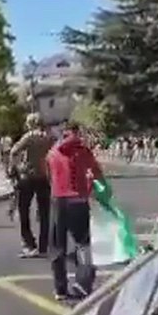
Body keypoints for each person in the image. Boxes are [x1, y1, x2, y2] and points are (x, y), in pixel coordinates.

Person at [46, 121, 105, 302]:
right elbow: (97, 174)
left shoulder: (52, 153)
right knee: (83, 244)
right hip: (79, 200)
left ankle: (60, 289)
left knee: (57, 246)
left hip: (58, 200)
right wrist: (93, 190)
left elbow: (49, 175)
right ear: (77, 133)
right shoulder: (83, 151)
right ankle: (83, 282)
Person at [10, 113, 53, 258]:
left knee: (24, 210)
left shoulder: (29, 136)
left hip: (28, 176)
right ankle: (44, 246)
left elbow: (14, 151)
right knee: (45, 212)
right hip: (44, 177)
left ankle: (29, 243)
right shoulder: (49, 137)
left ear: (31, 124)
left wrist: (15, 168)